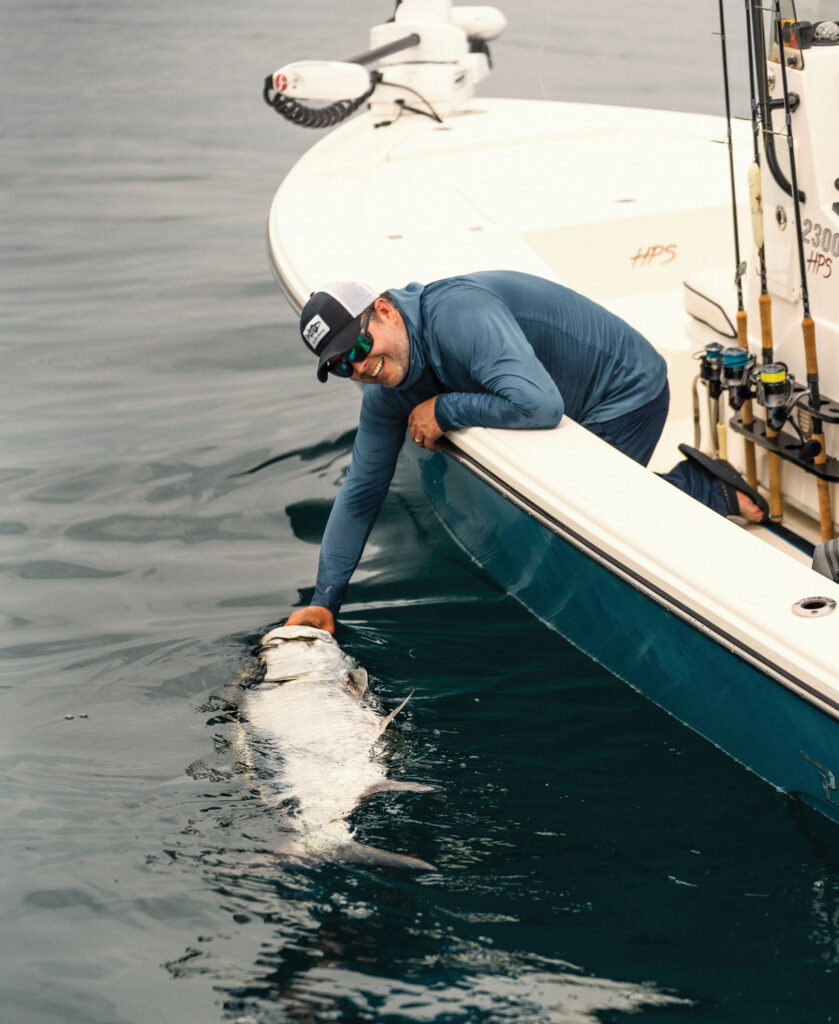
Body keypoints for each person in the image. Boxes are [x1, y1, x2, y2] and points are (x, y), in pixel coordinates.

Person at [286, 271, 764, 633]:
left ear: (386, 311)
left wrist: (446, 408)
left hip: (622, 391)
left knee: (592, 532)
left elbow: (541, 406)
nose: (362, 366)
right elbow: (362, 489)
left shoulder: (457, 318)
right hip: (555, 396)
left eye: (360, 345)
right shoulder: (387, 387)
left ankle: (702, 486)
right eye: (343, 365)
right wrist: (326, 600)